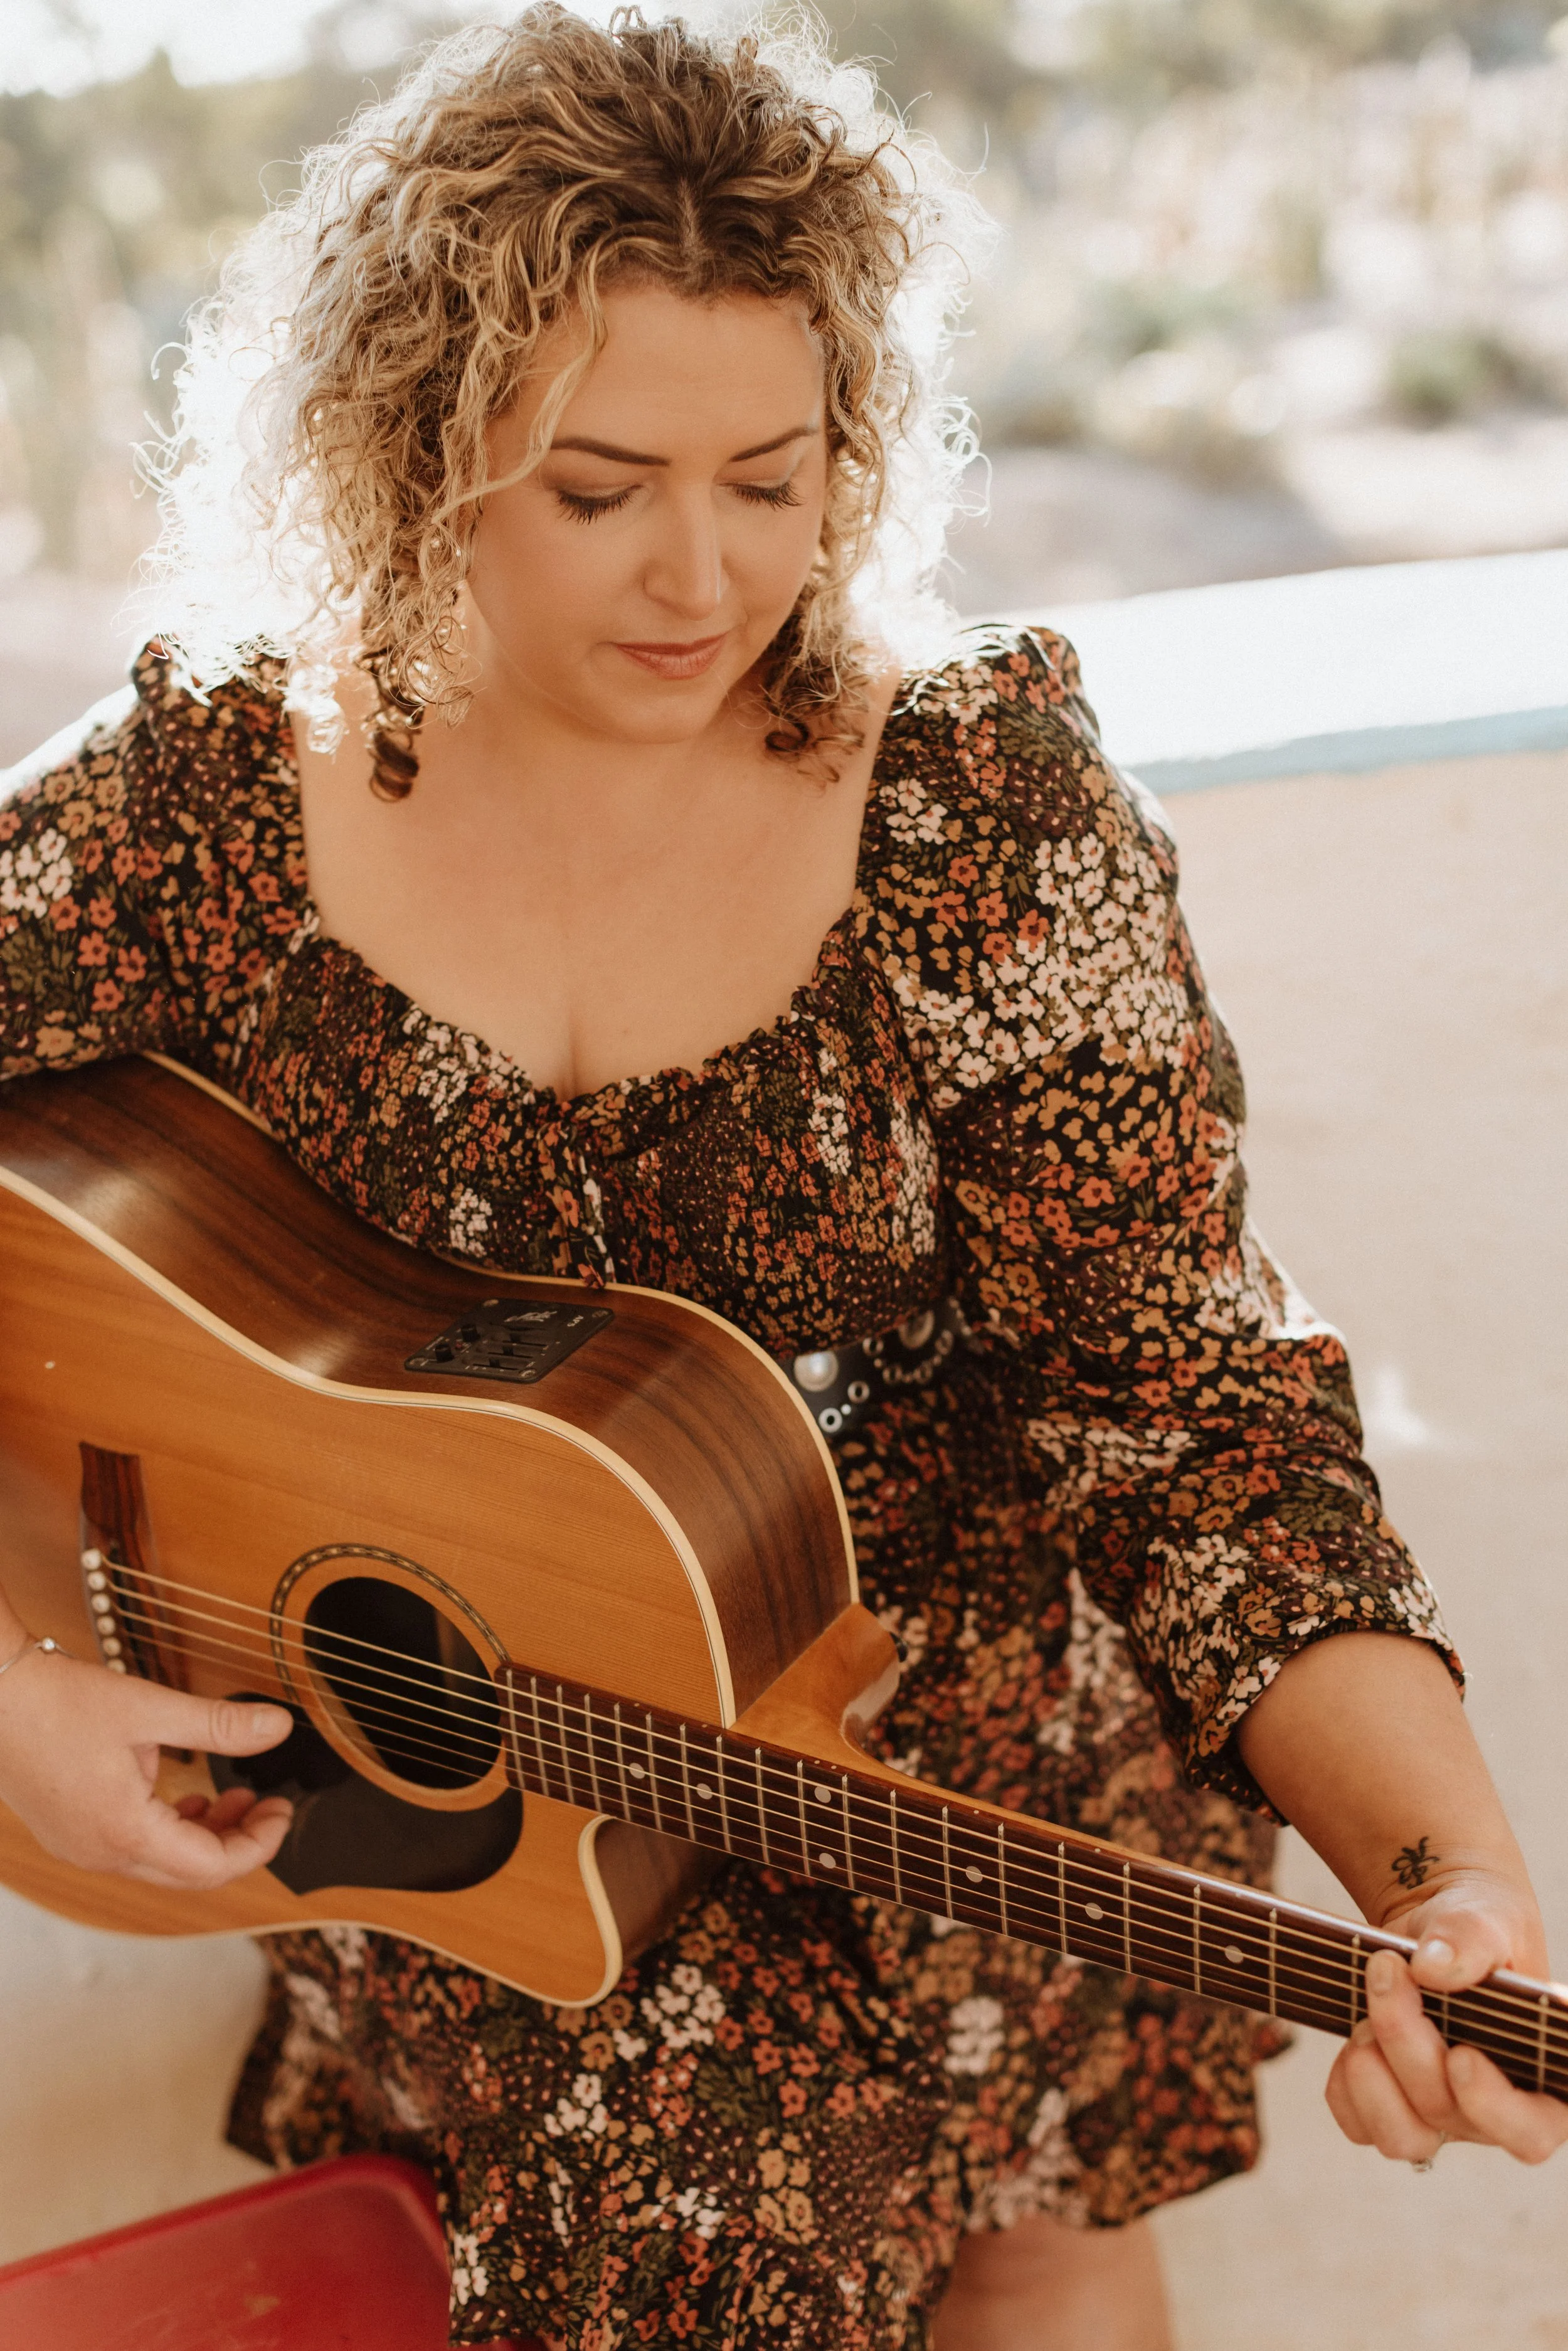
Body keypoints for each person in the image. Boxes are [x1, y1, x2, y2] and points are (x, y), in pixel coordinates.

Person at [0, 11, 1562, 2346]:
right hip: (475, 1773)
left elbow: (1191, 1406)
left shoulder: (972, 804)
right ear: (413, 452)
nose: (702, 574)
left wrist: (1446, 1879)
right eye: (597, 483)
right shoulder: (205, 801)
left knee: (1025, 2214)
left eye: (776, 469)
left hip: (960, 1754)